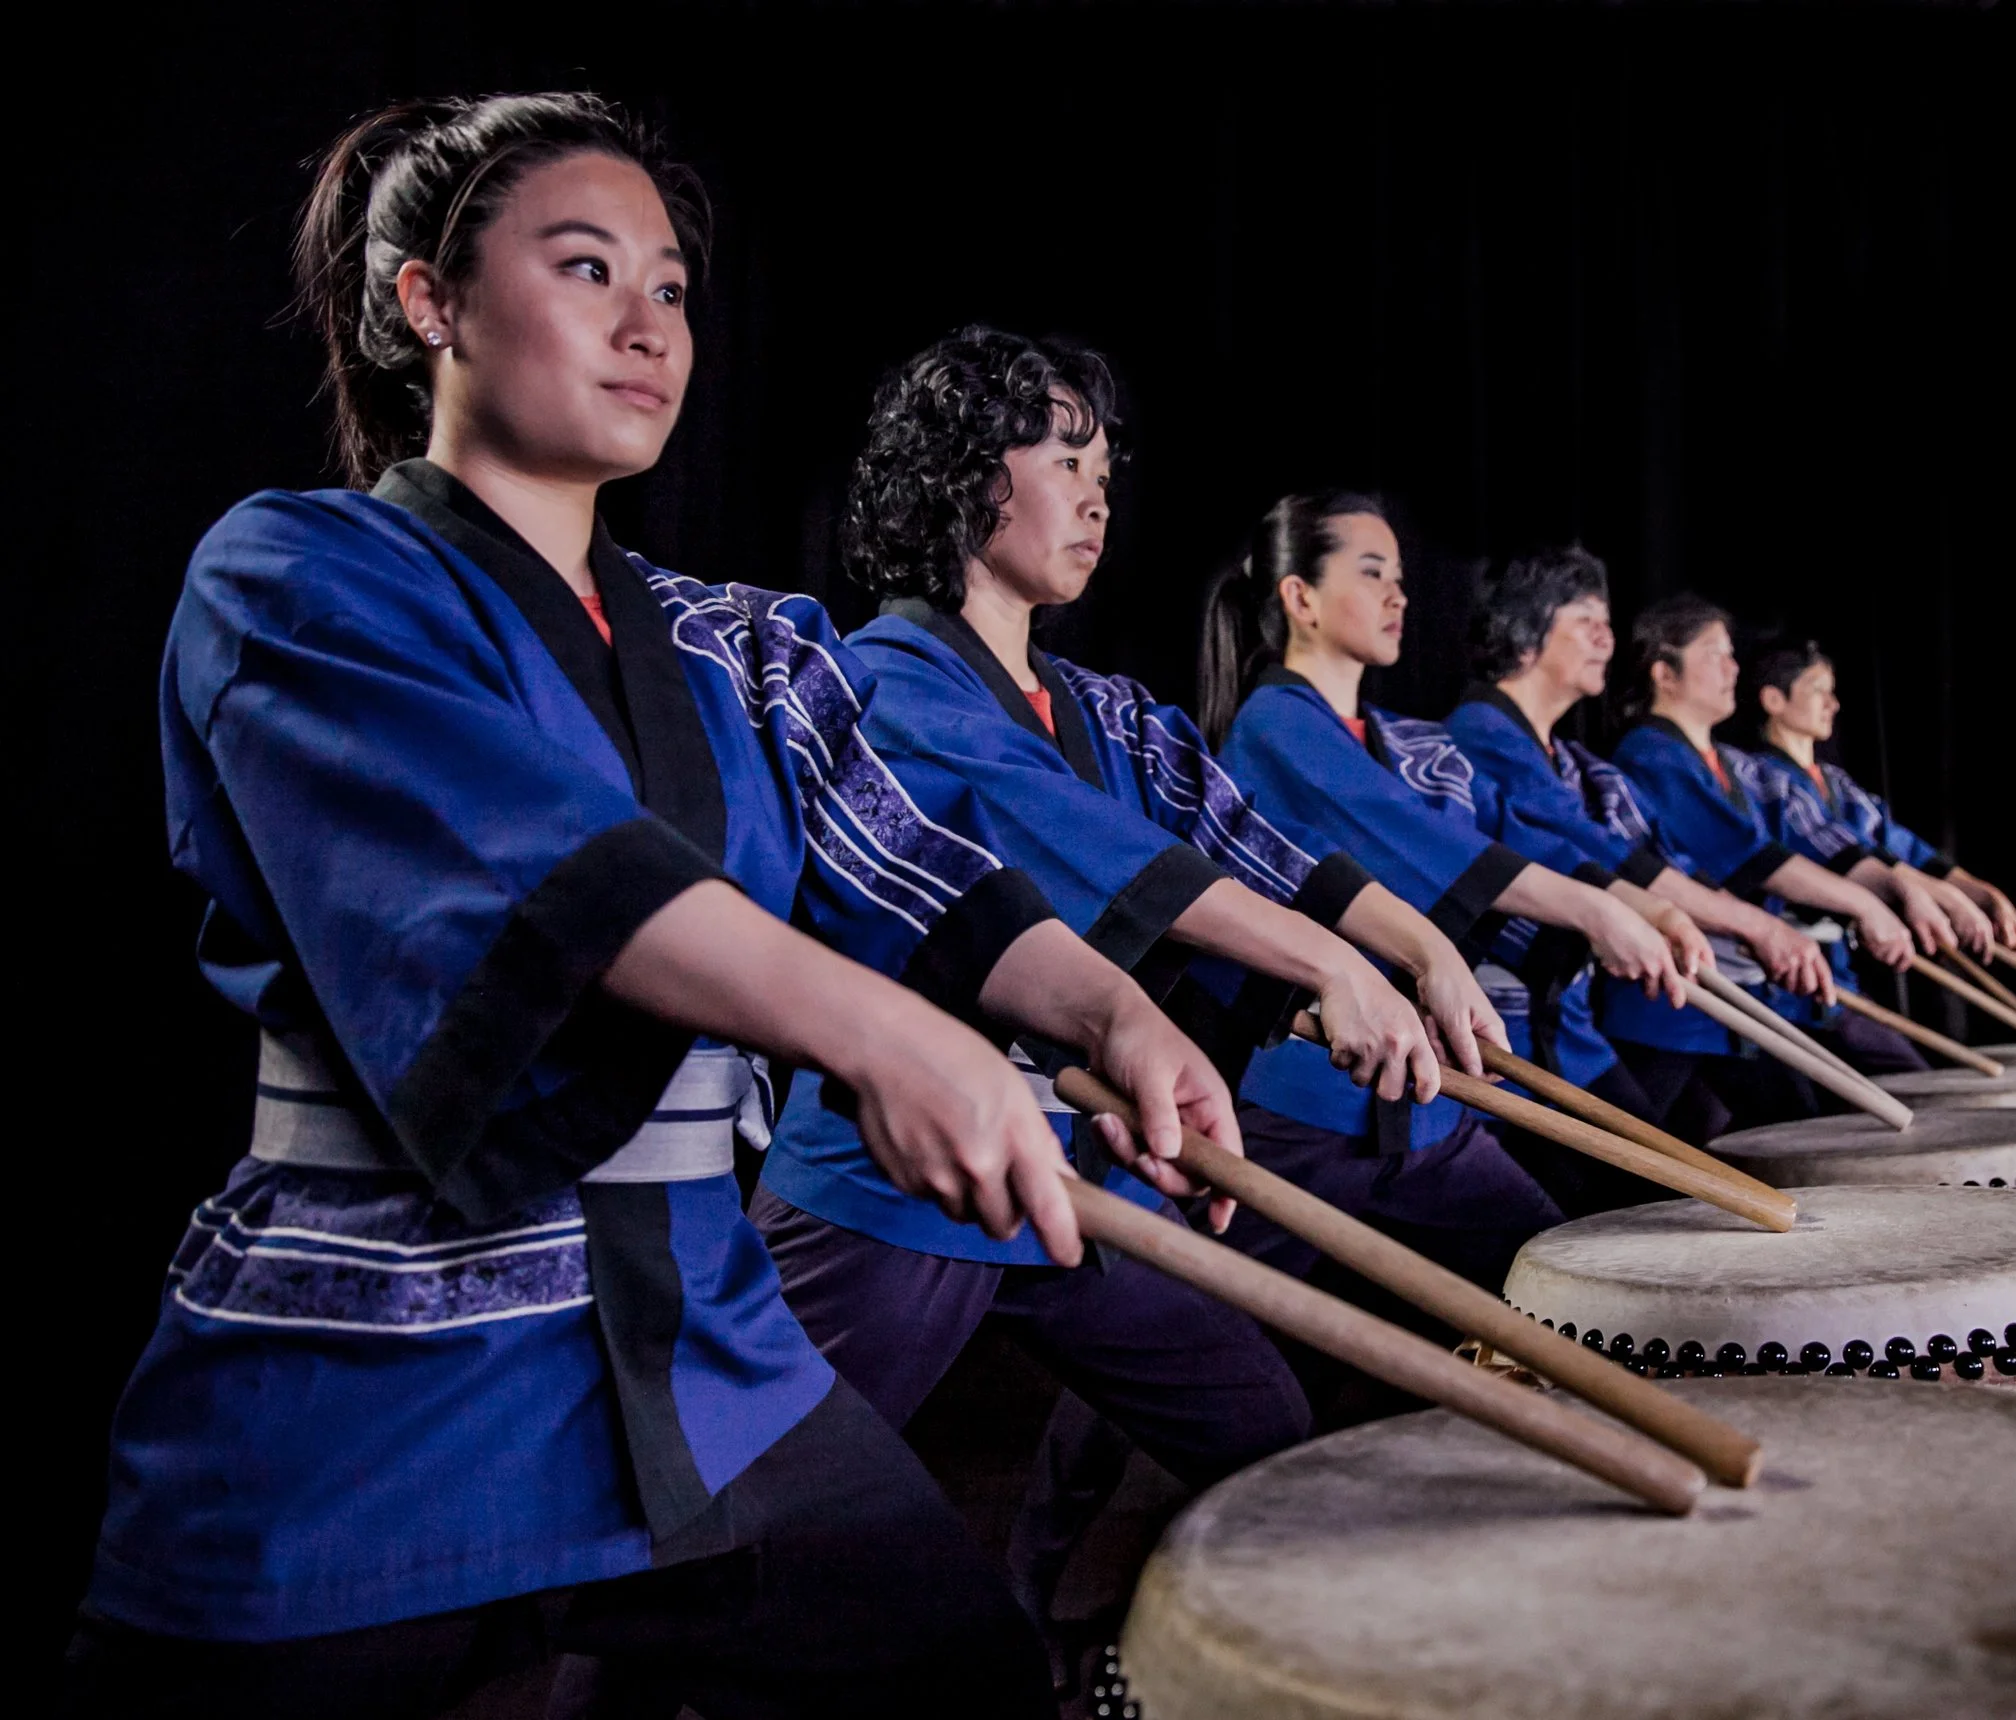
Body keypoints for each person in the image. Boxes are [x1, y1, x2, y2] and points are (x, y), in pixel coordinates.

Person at [69, 96, 1221, 1720]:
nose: (649, 327)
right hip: (375, 1394)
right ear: (432, 304)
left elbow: (906, 870)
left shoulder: (741, 645)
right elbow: (538, 860)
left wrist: (1113, 1014)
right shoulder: (296, 580)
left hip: (705, 1363)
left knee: (960, 1672)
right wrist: (882, 1038)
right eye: (586, 266)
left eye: (673, 288)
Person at [745, 329, 1512, 1636]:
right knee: (729, 1528)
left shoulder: (1099, 706)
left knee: (1257, 1423)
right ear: (956, 477)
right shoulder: (882, 682)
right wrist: (1327, 963)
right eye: (1062, 457)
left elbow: (1238, 840)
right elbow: (1094, 849)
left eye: (1109, 465)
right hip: (891, 1187)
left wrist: (1415, 952)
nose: (1099, 493)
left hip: (1061, 1161)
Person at [1201, 492, 1707, 1216]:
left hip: (1430, 1104)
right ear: (1301, 598)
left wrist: (1639, 904)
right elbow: (1424, 842)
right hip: (1310, 1108)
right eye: (1373, 573)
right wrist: (1593, 910)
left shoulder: (1402, 738)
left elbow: (1506, 839)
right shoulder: (1273, 726)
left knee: (1551, 1275)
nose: (1398, 595)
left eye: (1401, 577)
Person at [1445, 549, 1843, 1134]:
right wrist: (1749, 923)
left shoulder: (1573, 761)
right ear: (1525, 634)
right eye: (1586, 622)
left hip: (1574, 1025)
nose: (1607, 639)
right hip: (1507, 1042)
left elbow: (1654, 857)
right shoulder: (1478, 736)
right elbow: (1591, 853)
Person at [1613, 595, 1954, 1080]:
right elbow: (1749, 856)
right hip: (1682, 1001)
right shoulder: (1650, 756)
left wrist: (1921, 890)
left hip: (1748, 996)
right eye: (1715, 654)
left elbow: (1835, 844)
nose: (1732, 668)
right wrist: (1866, 905)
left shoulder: (1739, 767)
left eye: (1733, 654)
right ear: (1664, 674)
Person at [1746, 639, 2016, 949]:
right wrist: (1939, 896)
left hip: (1836, 962)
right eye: (1818, 691)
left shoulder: (1837, 783)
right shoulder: (1759, 777)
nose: (1834, 704)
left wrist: (1984, 895)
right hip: (1785, 961)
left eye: (1832, 691)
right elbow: (1838, 851)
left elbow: (1902, 848)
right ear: (1774, 699)